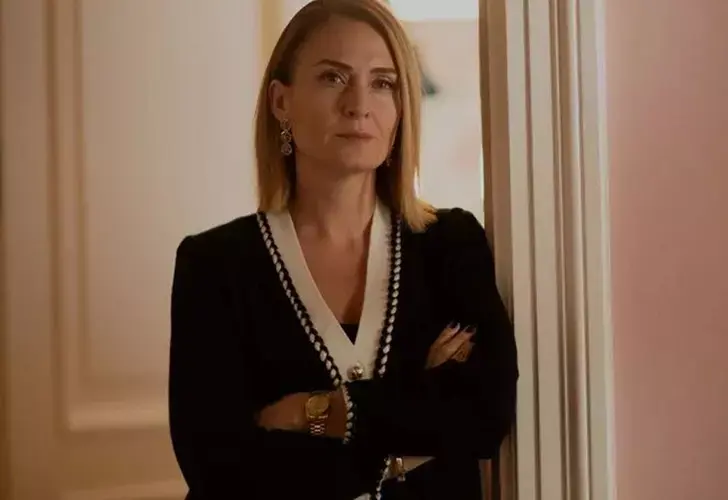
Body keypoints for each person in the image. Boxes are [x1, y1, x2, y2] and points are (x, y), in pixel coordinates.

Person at [168, 1, 518, 499]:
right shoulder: (215, 265)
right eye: (333, 78)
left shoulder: (450, 244)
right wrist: (412, 428)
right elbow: (220, 471)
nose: (359, 104)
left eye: (383, 83)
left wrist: (311, 413)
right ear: (281, 102)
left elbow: (484, 414)